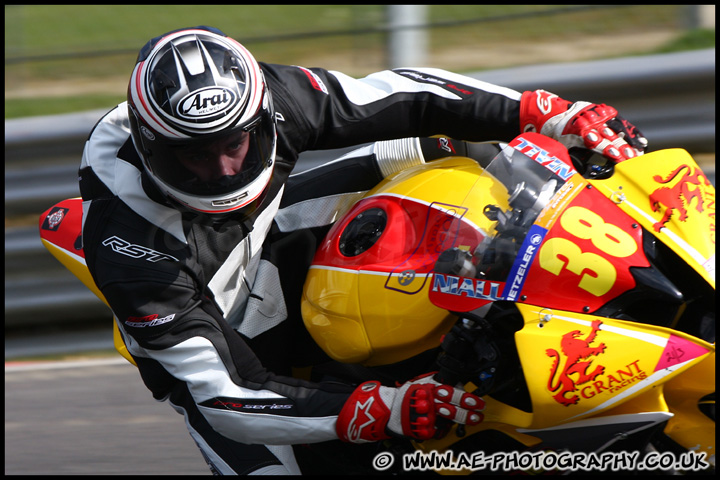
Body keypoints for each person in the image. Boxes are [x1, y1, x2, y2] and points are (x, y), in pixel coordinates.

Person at [78, 26, 647, 475]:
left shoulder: (273, 99)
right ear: (152, 146)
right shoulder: (133, 251)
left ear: (256, 115)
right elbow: (229, 394)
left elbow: (404, 93)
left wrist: (545, 111)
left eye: (235, 144)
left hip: (268, 241)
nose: (225, 167)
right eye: (196, 157)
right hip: (214, 332)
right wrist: (381, 409)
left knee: (431, 146)